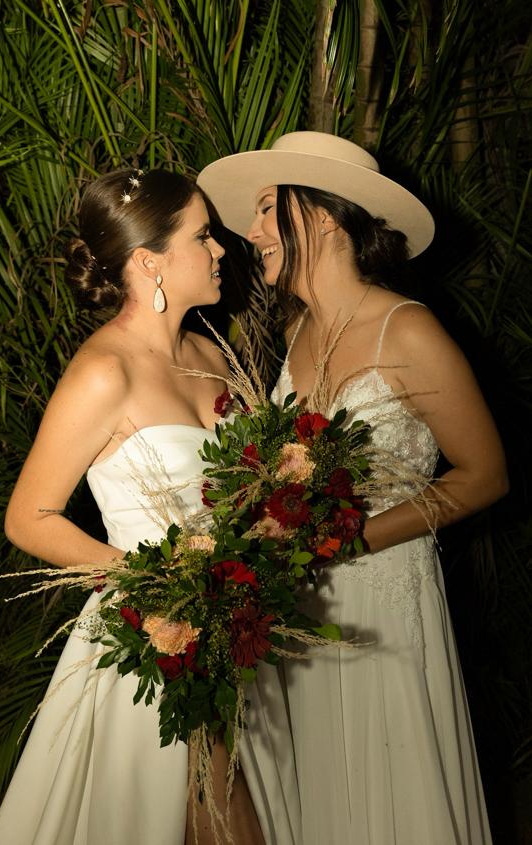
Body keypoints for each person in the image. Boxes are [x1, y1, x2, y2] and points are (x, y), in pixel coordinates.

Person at [197, 131, 508, 844]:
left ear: (325, 216)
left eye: (268, 210)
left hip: (384, 599)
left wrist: (345, 538)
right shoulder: (296, 329)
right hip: (299, 606)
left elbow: (484, 474)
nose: (250, 233)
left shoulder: (409, 330)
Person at [0, 168, 301, 845]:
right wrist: (153, 585)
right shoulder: (105, 371)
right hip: (153, 637)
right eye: (203, 235)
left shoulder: (211, 355)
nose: (221, 250)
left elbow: (252, 486)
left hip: (235, 624)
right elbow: (28, 517)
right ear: (147, 261)